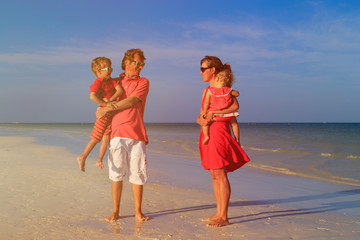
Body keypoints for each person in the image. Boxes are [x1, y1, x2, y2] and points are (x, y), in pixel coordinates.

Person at [96, 49, 150, 222]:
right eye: (138, 62)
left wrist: (107, 108)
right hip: (117, 132)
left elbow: (131, 101)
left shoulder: (144, 82)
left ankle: (138, 212)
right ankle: (115, 211)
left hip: (137, 134)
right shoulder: (114, 81)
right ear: (127, 62)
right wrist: (100, 106)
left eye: (142, 63)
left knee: (138, 174)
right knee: (116, 173)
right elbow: (101, 94)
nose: (140, 66)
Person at [197, 56, 250, 227]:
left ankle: (224, 216)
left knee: (220, 174)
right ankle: (219, 212)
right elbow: (200, 115)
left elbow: (235, 107)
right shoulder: (207, 91)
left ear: (213, 70)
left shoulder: (226, 90)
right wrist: (202, 120)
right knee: (214, 174)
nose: (201, 72)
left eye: (203, 69)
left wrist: (216, 112)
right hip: (208, 132)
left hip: (220, 132)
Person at [77, 57, 123, 172]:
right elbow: (92, 96)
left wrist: (110, 99)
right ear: (99, 71)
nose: (111, 70)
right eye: (108, 68)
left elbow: (120, 91)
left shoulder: (111, 81)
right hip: (104, 113)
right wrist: (104, 104)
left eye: (111, 67)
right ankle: (83, 156)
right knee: (96, 137)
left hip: (111, 113)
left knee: (106, 138)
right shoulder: (98, 81)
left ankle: (99, 160)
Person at [201, 66, 240, 145]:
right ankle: (237, 139)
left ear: (218, 79)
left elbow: (206, 103)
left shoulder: (211, 90)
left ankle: (206, 136)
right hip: (227, 114)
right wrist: (233, 92)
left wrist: (205, 111)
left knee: (205, 123)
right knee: (234, 124)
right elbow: (237, 94)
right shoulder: (228, 90)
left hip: (215, 114)